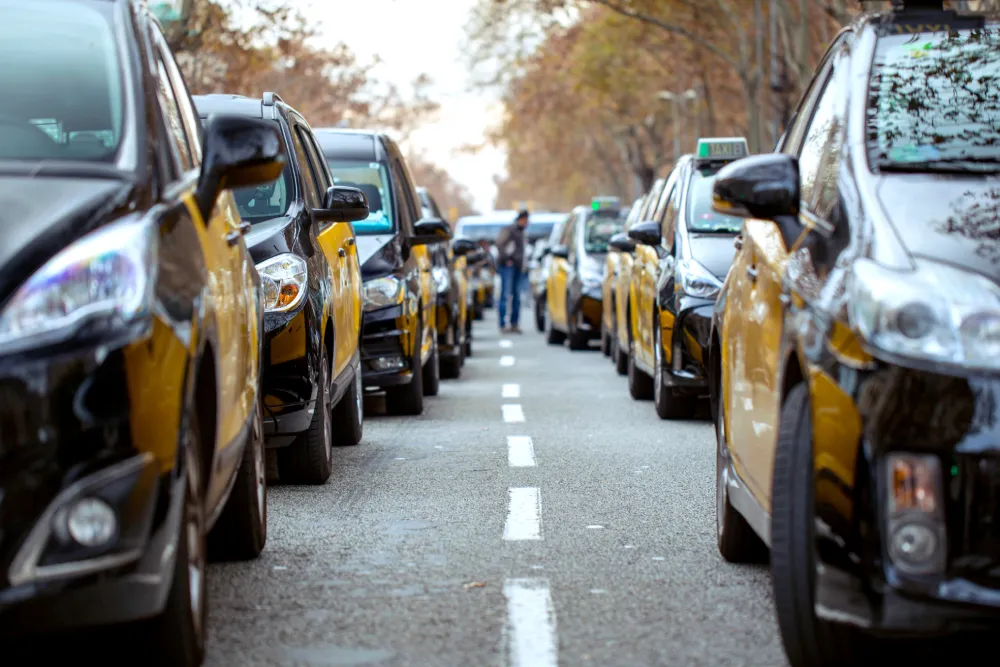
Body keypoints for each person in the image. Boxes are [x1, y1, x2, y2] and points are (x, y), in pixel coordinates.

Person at [496, 210, 529, 333]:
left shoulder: (522, 232)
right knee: (505, 295)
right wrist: (507, 259)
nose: (527, 223)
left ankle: (514, 324)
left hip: (518, 267)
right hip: (508, 266)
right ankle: (503, 324)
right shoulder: (510, 230)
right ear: (521, 219)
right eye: (525, 220)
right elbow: (499, 244)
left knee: (516, 296)